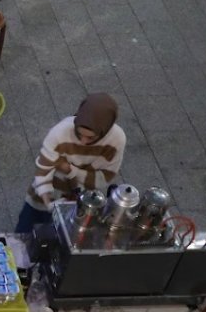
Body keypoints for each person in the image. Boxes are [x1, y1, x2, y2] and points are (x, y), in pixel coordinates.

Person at [15, 93, 126, 233]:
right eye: (79, 134)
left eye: (90, 137)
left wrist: (69, 170)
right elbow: (43, 170)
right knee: (25, 231)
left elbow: (104, 178)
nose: (83, 141)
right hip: (45, 195)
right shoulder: (60, 133)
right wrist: (49, 203)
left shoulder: (116, 140)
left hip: (77, 202)